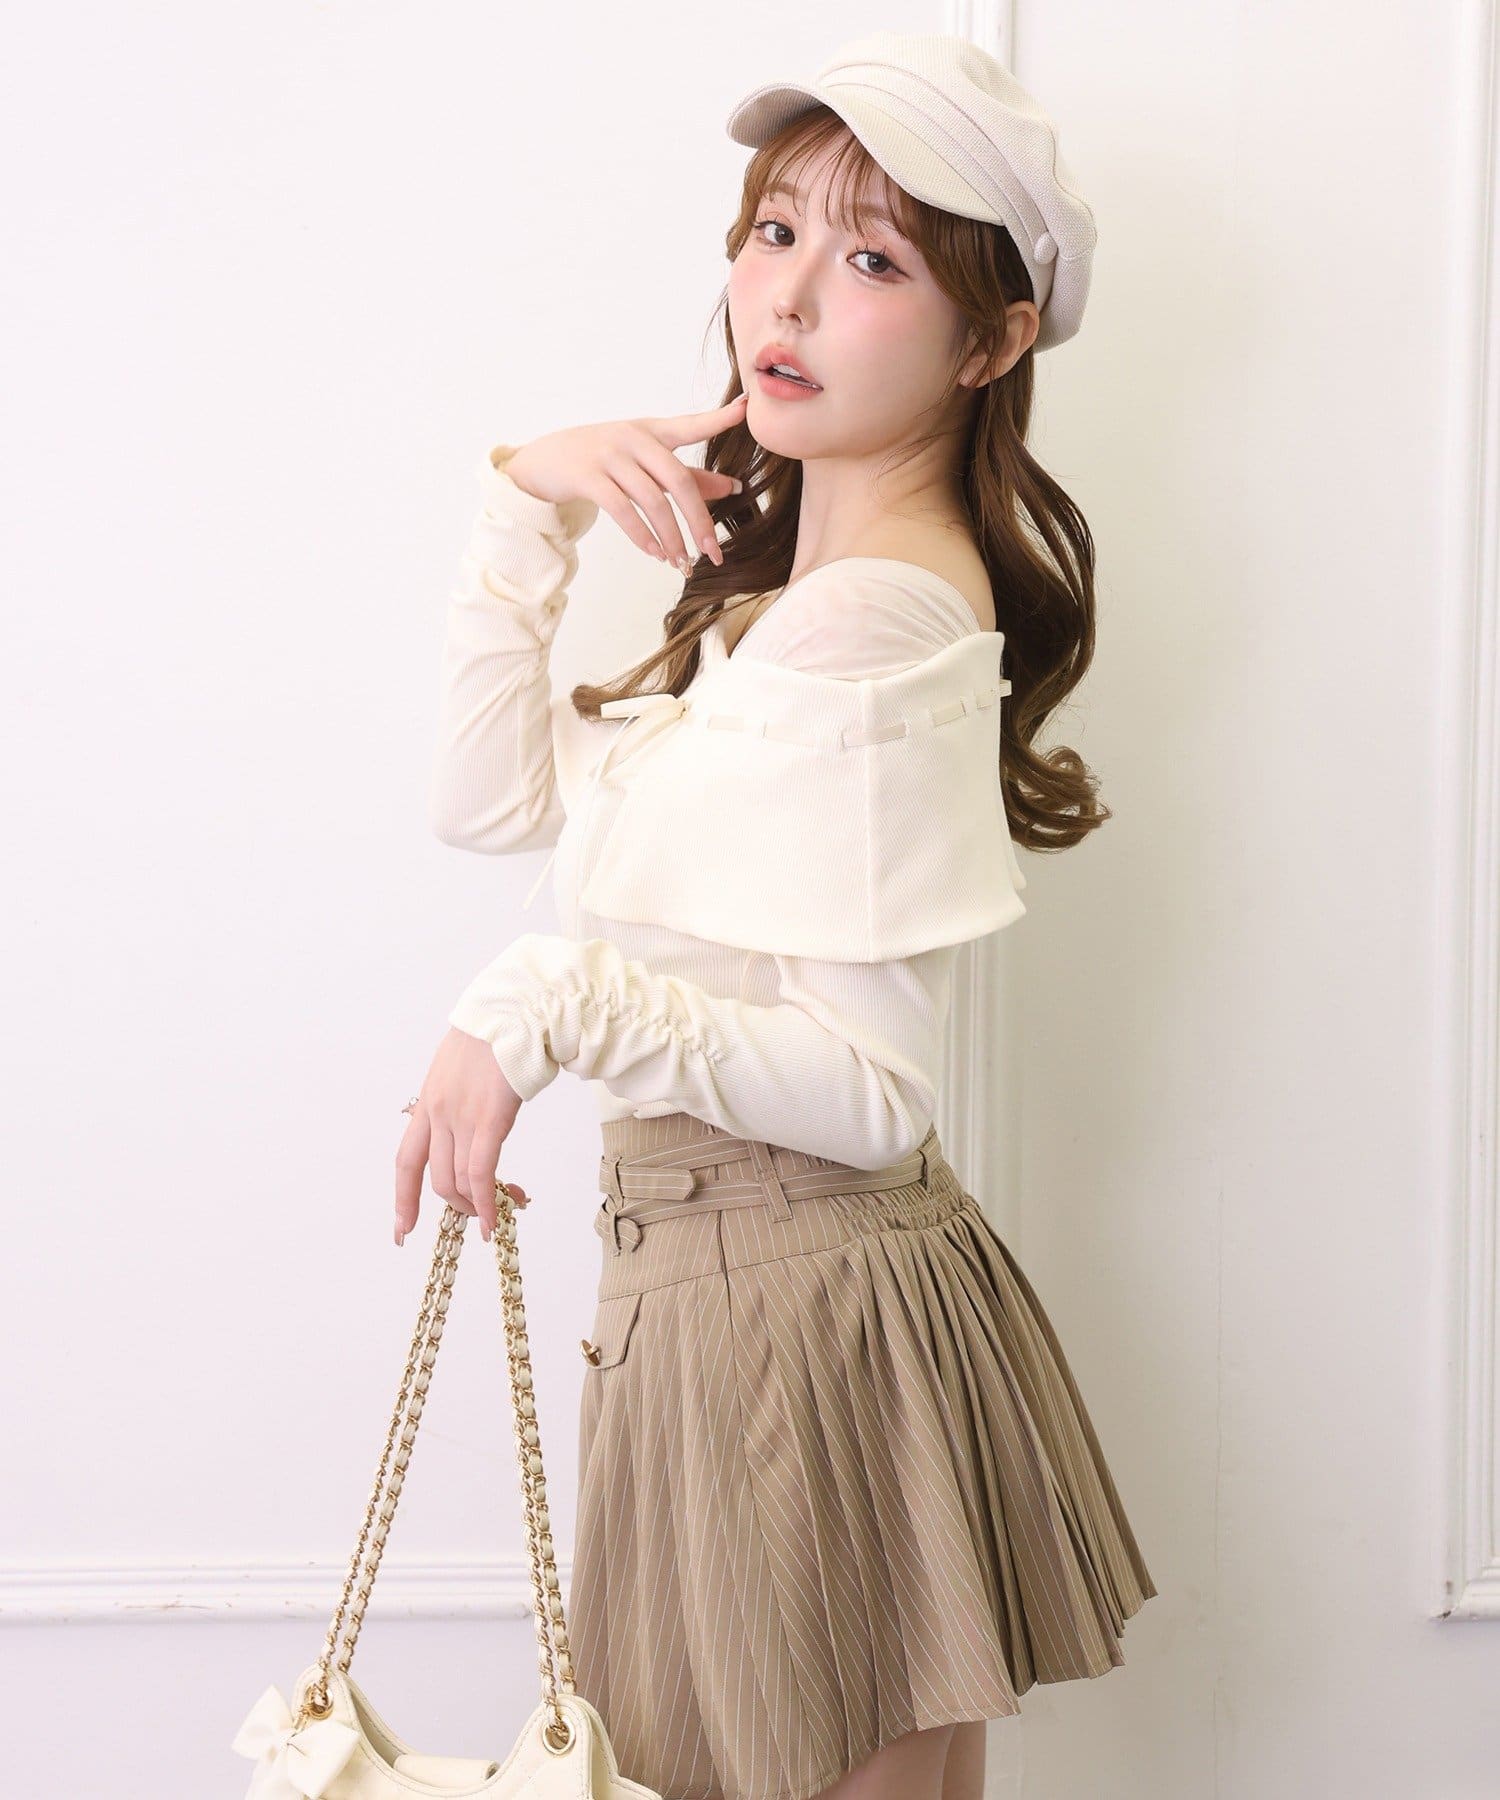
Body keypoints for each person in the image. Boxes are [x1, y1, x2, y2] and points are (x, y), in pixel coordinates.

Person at [396, 30, 1157, 1800]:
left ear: (990, 343)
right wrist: (526, 502)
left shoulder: (863, 621)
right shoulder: (782, 610)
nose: (789, 297)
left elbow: (870, 1096)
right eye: (773, 231)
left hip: (793, 1319)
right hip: (756, 1308)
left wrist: (546, 1004)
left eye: (873, 259)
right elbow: (487, 802)